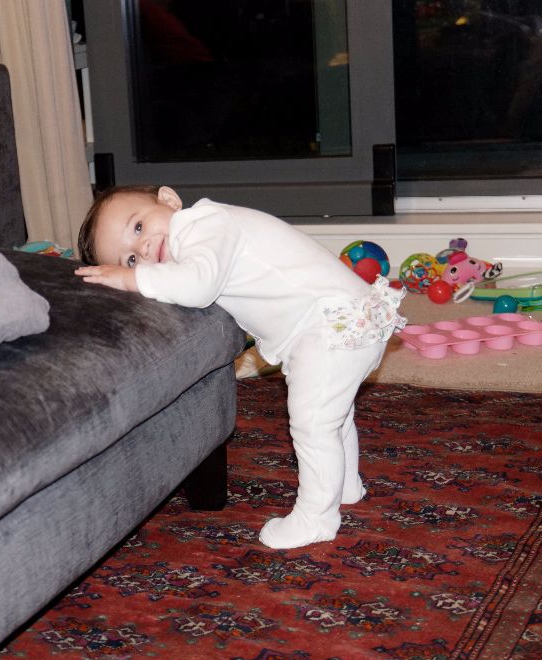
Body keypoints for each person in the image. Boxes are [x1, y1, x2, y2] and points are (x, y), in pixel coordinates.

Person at [74, 185, 406, 549]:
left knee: (313, 422)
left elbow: (197, 286)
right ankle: (344, 487)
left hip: (329, 323)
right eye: (130, 260)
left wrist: (130, 278)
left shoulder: (202, 226)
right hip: (338, 319)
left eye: (138, 227)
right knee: (332, 417)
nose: (143, 249)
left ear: (169, 200)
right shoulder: (202, 234)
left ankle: (317, 517)